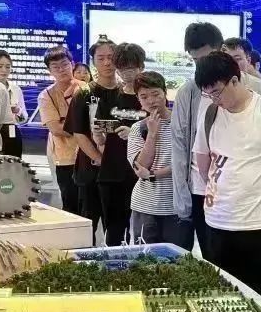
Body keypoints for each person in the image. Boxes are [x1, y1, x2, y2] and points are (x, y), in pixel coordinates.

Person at [193, 51, 261, 302]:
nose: (214, 99)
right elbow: (202, 158)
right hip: (218, 221)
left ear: (235, 80)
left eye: (217, 92)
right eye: (208, 94)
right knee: (221, 297)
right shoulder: (210, 113)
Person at [66, 38, 143, 246]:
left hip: (121, 173)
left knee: (118, 227)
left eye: (111, 57)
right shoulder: (84, 93)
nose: (107, 63)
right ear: (93, 62)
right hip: (91, 171)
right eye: (101, 58)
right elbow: (79, 133)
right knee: (88, 224)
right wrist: (100, 158)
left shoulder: (129, 93)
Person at [171, 22, 225, 252]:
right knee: (209, 256)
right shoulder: (187, 93)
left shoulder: (247, 86)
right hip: (200, 191)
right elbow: (179, 146)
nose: (202, 66)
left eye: (207, 58)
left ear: (221, 50)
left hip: (233, 190)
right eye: (195, 60)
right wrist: (182, 199)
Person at [127, 71, 177, 244]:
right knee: (144, 256)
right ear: (139, 100)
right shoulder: (138, 128)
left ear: (165, 93)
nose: (151, 100)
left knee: (178, 257)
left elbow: (185, 163)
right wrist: (152, 134)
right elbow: (141, 166)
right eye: (144, 97)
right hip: (145, 206)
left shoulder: (182, 124)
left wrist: (153, 175)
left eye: (156, 94)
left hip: (177, 207)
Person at [36, 46, 86, 215]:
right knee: (71, 205)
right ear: (49, 71)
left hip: (91, 157)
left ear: (72, 64)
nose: (61, 69)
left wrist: (68, 124)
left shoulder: (87, 89)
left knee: (91, 206)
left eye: (64, 64)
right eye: (55, 67)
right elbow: (56, 128)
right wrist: (83, 128)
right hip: (66, 159)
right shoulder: (46, 96)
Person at [0, 49, 27, 158]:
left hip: (12, 132)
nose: (4, 70)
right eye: (0, 66)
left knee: (13, 165)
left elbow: (24, 119)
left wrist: (17, 111)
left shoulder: (16, 89)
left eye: (7, 67)